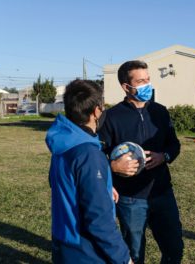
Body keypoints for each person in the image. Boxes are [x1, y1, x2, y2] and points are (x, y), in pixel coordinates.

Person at [98, 60, 183, 264]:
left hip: (162, 193)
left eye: (148, 79)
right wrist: (112, 165)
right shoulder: (110, 117)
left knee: (174, 248)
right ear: (126, 87)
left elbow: (174, 144)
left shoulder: (160, 112)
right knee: (134, 254)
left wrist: (165, 156)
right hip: (130, 198)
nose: (147, 85)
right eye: (141, 81)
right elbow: (97, 155)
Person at [45, 79, 132, 264]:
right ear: (96, 111)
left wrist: (103, 186)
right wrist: (124, 259)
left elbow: (62, 182)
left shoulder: (64, 142)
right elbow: (99, 220)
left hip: (63, 241)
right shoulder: (89, 154)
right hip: (86, 251)